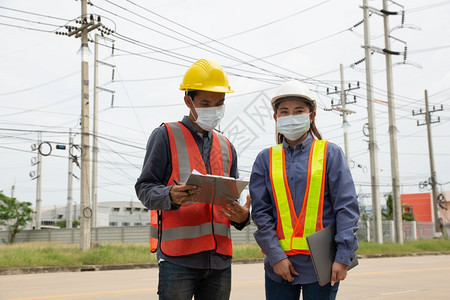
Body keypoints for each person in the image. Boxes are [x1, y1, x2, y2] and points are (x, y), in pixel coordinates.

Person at [135, 58, 251, 300]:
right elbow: (144, 188)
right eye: (206, 103)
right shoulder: (165, 135)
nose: (214, 109)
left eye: (219, 103)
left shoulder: (227, 146)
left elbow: (231, 202)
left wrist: (242, 218)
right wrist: (169, 195)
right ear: (189, 100)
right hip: (179, 259)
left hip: (219, 260)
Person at [249, 80, 360, 300]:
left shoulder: (330, 153)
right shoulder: (265, 159)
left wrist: (343, 256)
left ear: (311, 115)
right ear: (276, 118)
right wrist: (276, 257)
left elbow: (346, 208)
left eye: (298, 111)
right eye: (284, 112)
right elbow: (261, 213)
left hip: (324, 264)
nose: (291, 117)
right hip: (279, 266)